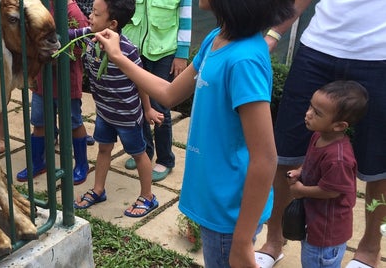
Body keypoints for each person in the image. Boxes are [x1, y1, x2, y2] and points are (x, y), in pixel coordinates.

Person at [92, 0, 293, 266]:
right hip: (214, 198)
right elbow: (169, 93)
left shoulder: (245, 60)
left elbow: (266, 158)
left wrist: (242, 241)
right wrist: (118, 57)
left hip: (229, 211)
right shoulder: (217, 39)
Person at [256, 1, 386, 267]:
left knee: (379, 165)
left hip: (379, 56)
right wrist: (274, 33)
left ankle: (370, 250)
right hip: (318, 48)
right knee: (285, 153)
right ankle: (274, 240)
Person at [71, 0, 159, 218]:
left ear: (112, 24)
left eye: (96, 14)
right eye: (91, 11)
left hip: (127, 116)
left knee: (139, 154)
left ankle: (148, 196)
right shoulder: (89, 36)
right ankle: (98, 190)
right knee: (103, 149)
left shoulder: (127, 50)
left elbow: (141, 82)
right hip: (104, 112)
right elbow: (66, 35)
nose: (90, 16)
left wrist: (147, 109)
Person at [283, 81, 368, 268]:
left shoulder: (338, 159)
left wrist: (302, 190)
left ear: (339, 126)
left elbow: (331, 191)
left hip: (327, 234)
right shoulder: (319, 135)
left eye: (317, 113)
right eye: (310, 106)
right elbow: (311, 160)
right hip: (315, 224)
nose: (308, 114)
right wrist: (300, 171)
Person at [15, 0, 90, 185]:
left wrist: (59, 54)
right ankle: (37, 162)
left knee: (73, 122)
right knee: (39, 121)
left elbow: (81, 46)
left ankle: (81, 164)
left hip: (66, 79)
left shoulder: (72, 11)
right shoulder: (38, 7)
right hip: (42, 79)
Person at [120, 0, 192, 182]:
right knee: (138, 103)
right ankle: (144, 150)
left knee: (160, 106)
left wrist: (182, 54)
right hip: (134, 49)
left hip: (164, 51)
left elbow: (185, 18)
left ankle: (166, 159)